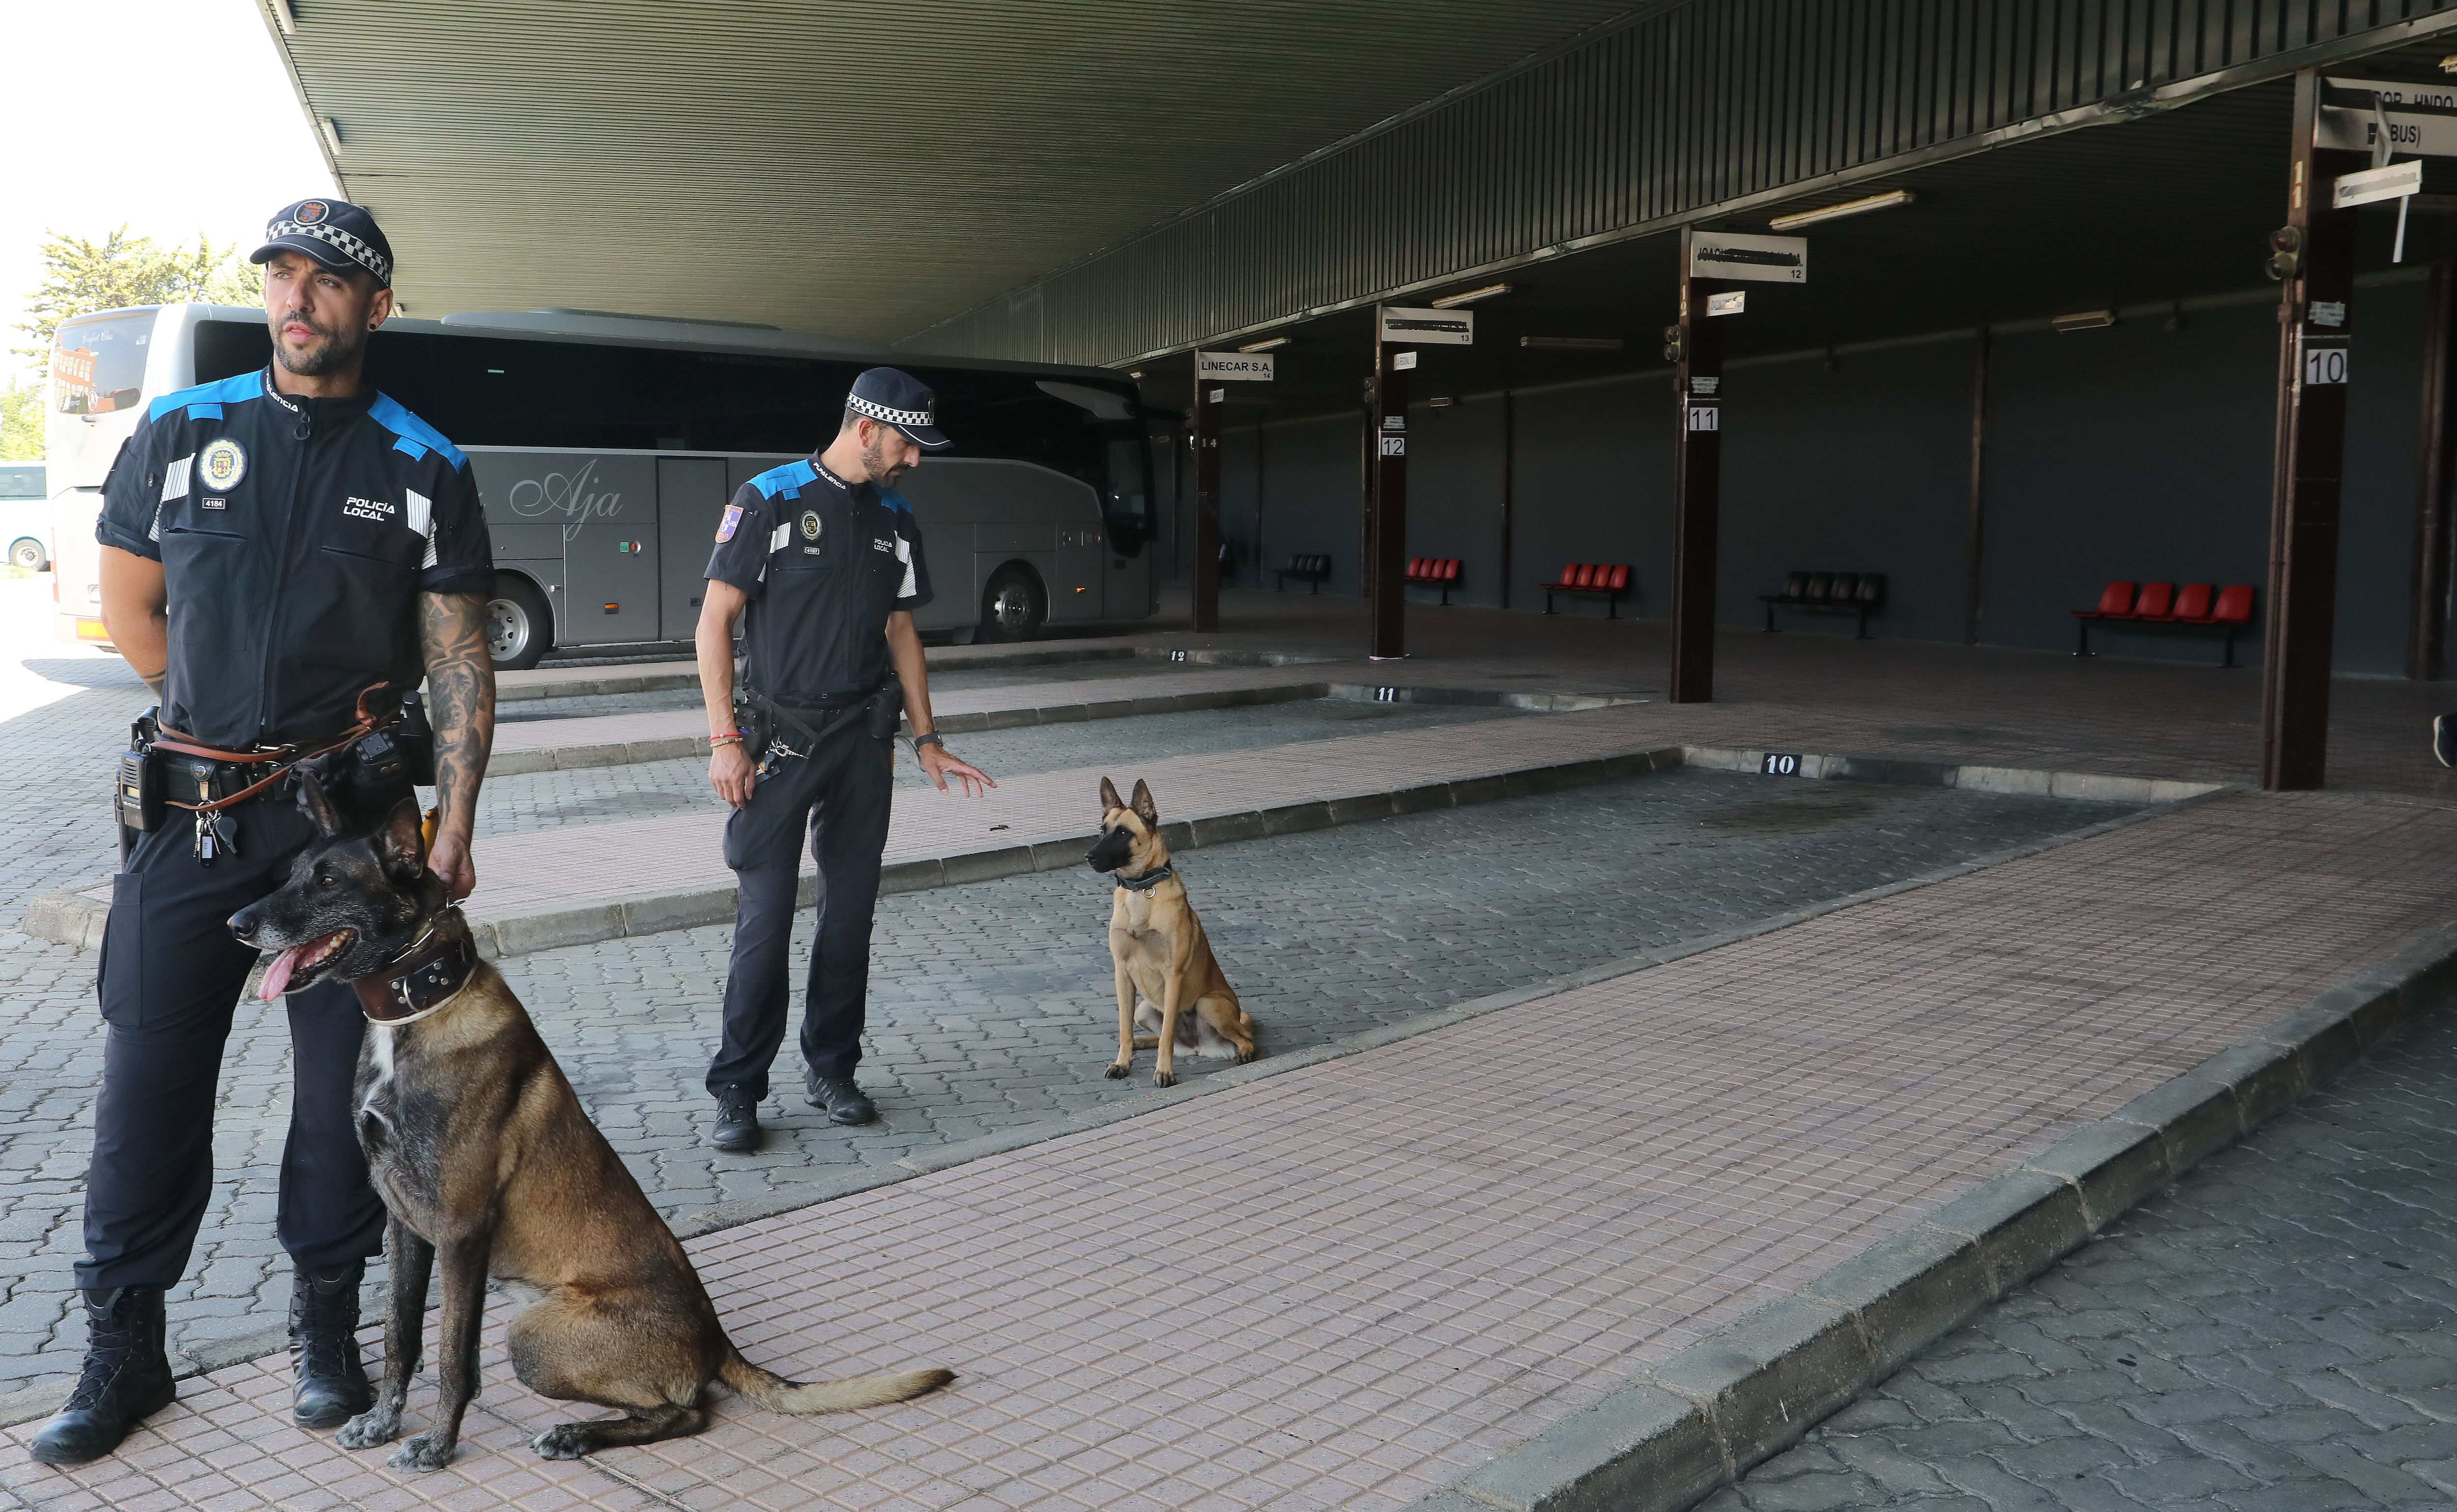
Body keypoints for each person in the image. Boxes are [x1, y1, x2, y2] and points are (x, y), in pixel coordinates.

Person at [31, 199, 496, 1464]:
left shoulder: (424, 465)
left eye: (330, 281)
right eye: (283, 275)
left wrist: (450, 826)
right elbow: (131, 602)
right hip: (192, 823)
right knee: (146, 1085)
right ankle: (125, 1347)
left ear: (374, 308)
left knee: (339, 1097)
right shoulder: (184, 430)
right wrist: (214, 724)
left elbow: (457, 665)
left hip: (351, 838)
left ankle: (327, 1331)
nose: (300, 298)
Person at [697, 368, 992, 1151]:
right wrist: (726, 739)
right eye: (908, 444)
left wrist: (927, 738)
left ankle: (833, 1068)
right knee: (764, 921)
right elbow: (714, 623)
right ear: (866, 429)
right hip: (779, 742)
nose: (916, 461)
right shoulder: (769, 499)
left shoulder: (896, 516)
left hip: (863, 740)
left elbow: (902, 632)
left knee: (849, 917)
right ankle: (738, 1087)